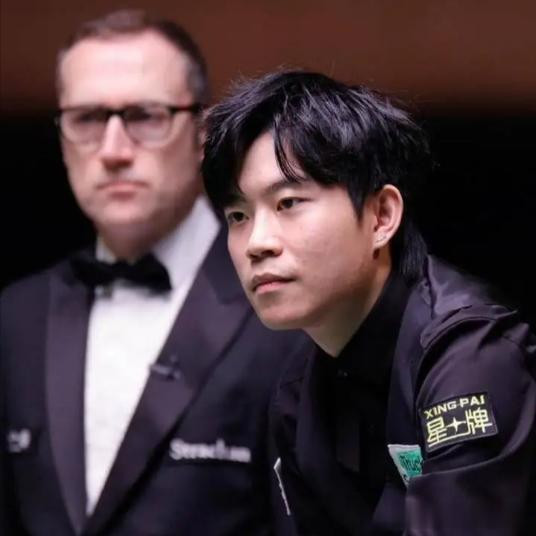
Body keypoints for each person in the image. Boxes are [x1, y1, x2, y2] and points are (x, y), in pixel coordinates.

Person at [0, 12, 312, 536]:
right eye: (86, 118)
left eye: (145, 116)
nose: (113, 151)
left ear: (202, 134)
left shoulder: (286, 308)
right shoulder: (15, 318)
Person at [202, 70, 536, 535]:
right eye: (238, 215)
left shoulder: (469, 354)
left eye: (289, 203)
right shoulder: (297, 394)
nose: (257, 242)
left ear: (381, 216)